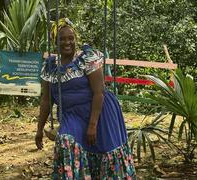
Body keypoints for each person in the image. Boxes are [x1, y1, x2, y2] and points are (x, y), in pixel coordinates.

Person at [35, 18, 136, 179]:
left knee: (105, 152)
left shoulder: (86, 59)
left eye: (71, 38)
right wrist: (39, 129)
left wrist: (92, 125)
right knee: (66, 142)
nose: (67, 42)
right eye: (62, 39)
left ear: (76, 40)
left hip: (99, 111)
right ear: (55, 42)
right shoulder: (50, 67)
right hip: (72, 115)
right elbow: (46, 100)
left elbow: (99, 93)